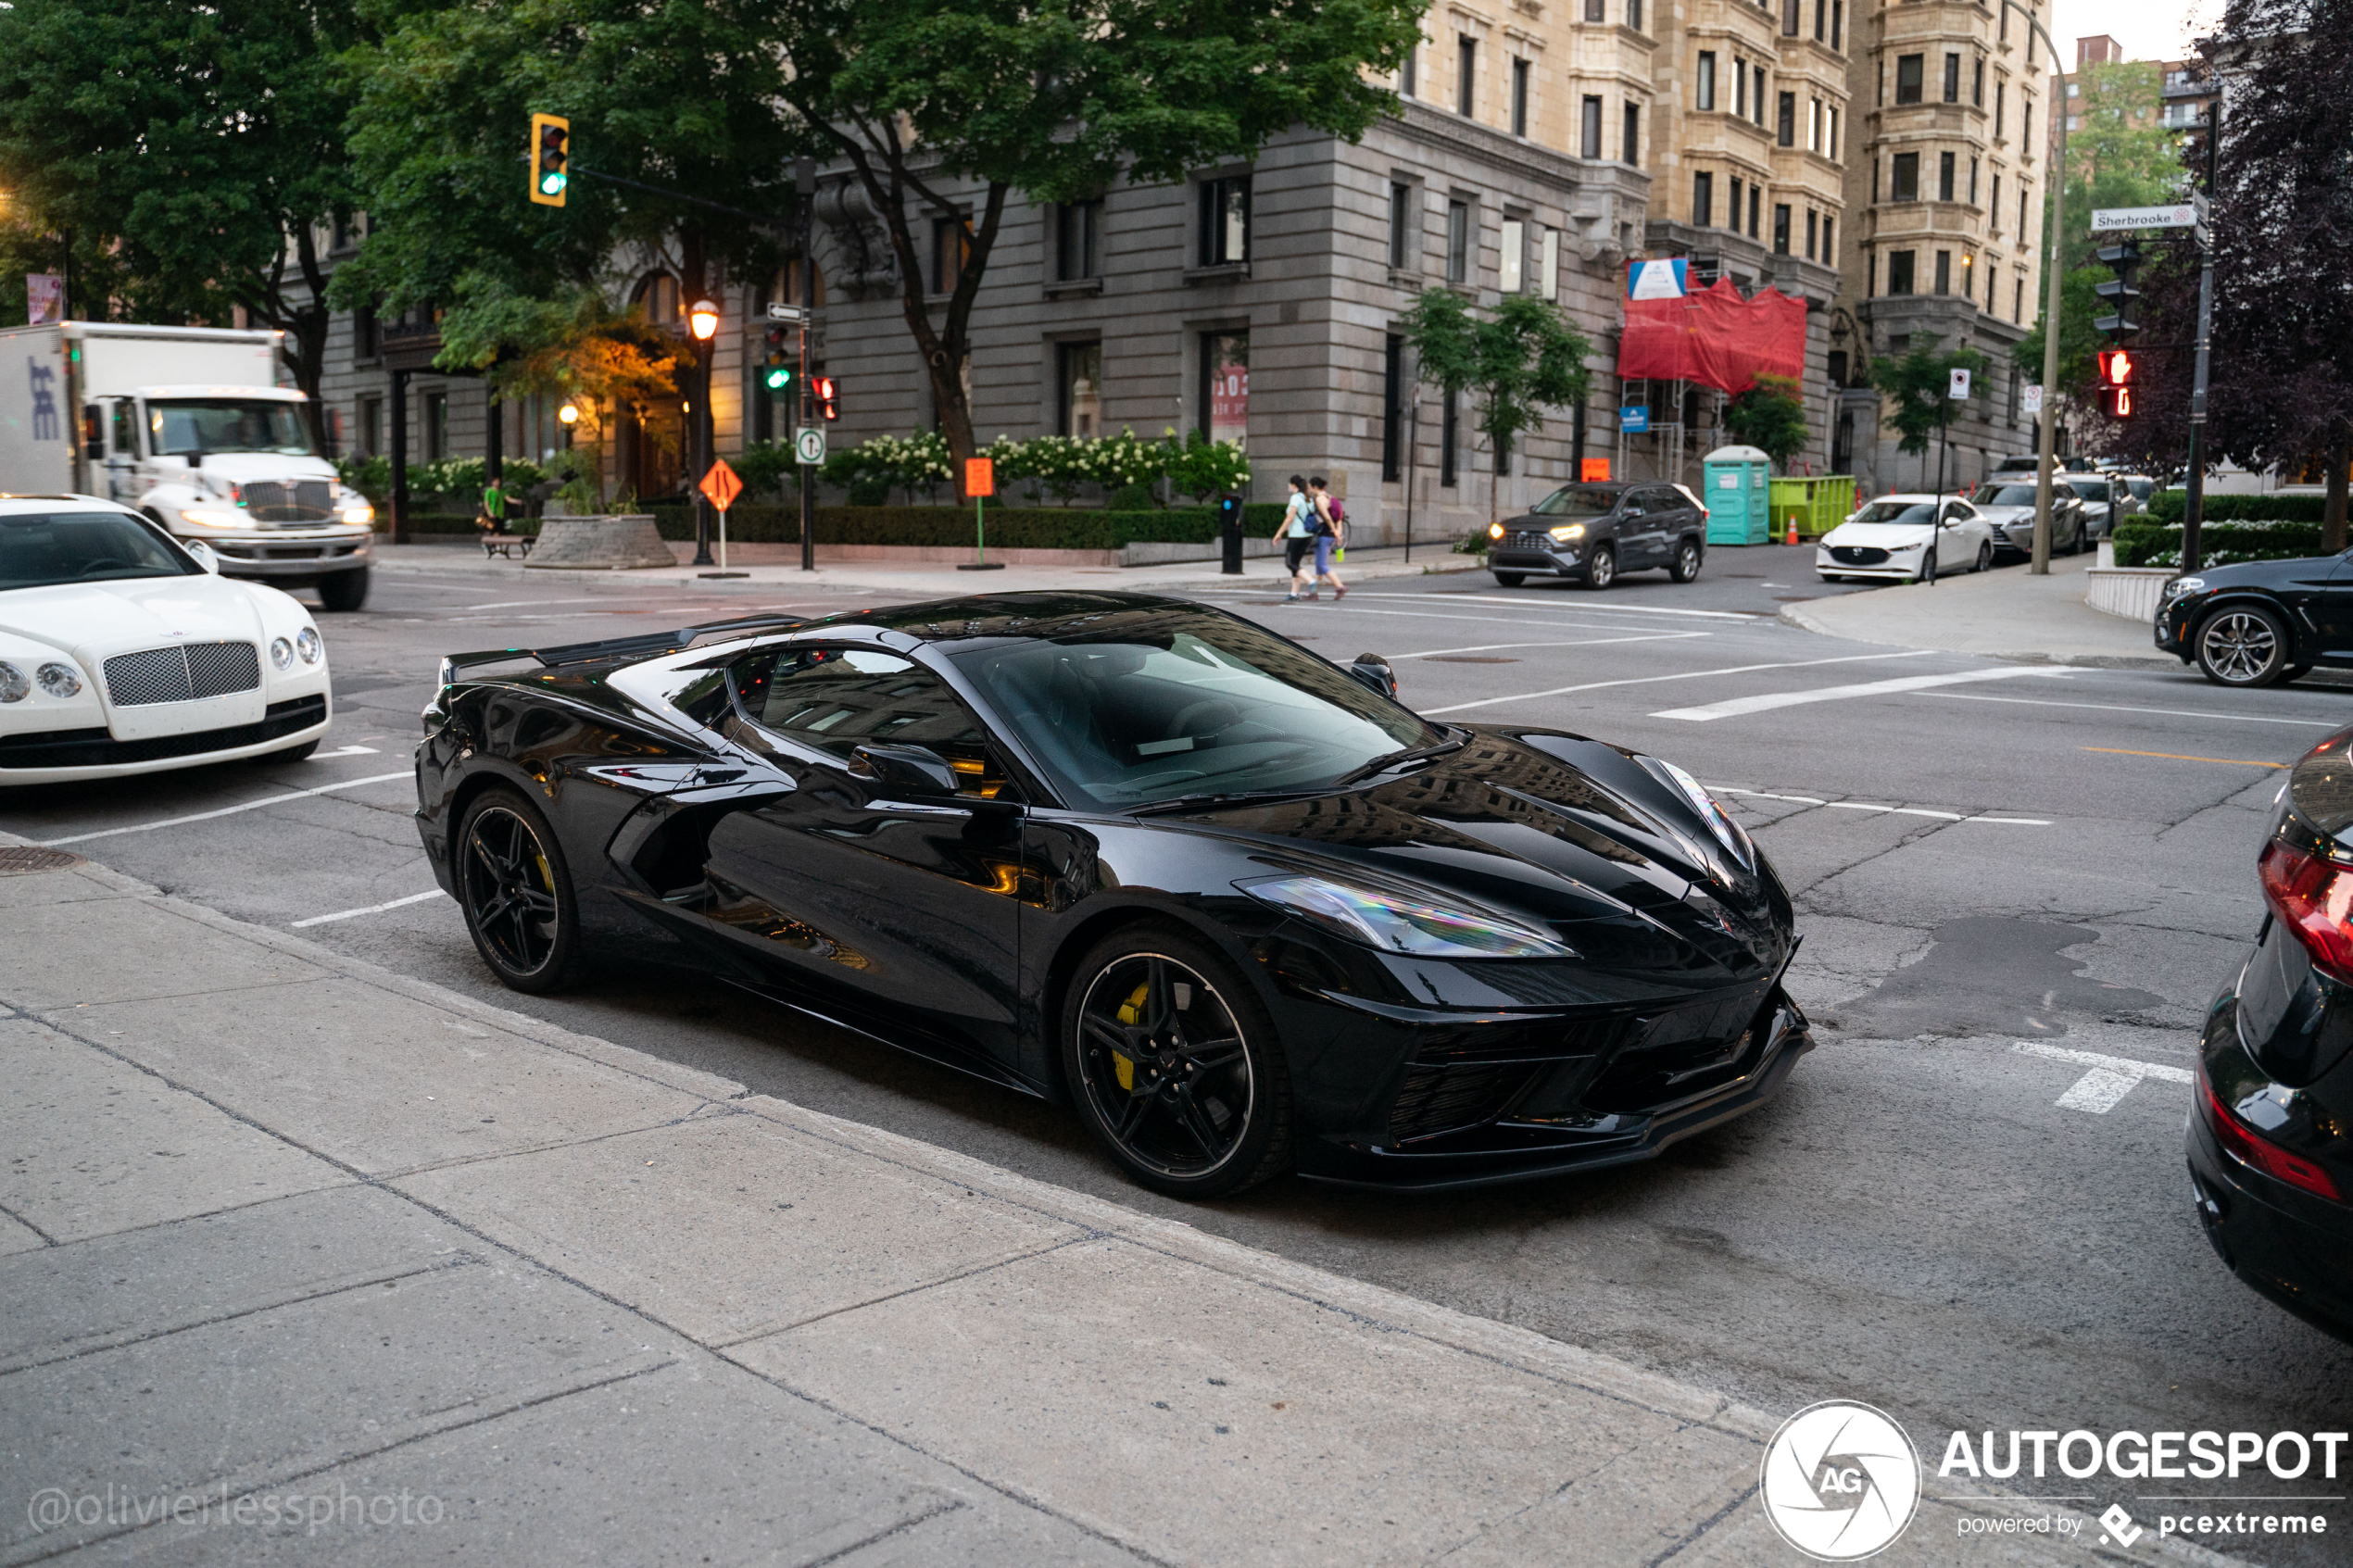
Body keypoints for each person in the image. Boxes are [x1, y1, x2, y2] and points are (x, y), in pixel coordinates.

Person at [1277, 475, 1317, 602]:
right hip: (1307, 536)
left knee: (1290, 563)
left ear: (1294, 485)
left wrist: (1279, 533)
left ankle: (1311, 581)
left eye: (1289, 484)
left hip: (1296, 535)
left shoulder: (1295, 498)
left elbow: (1290, 518)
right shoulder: (1308, 498)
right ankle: (1294, 593)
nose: (1288, 486)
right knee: (1296, 564)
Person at [1308, 476, 1348, 601]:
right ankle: (1313, 593)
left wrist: (1334, 530)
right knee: (1319, 566)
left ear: (1315, 487)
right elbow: (1339, 519)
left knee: (1322, 564)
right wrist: (1338, 533)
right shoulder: (1331, 499)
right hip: (1329, 536)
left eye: (1310, 487)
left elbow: (1327, 517)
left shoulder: (1320, 499)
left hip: (1324, 535)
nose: (1309, 489)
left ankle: (1340, 586)